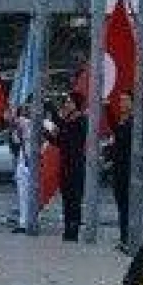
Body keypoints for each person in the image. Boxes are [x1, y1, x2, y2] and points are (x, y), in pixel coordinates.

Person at [55, 93, 88, 242]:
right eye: (66, 102)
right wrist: (47, 132)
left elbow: (71, 140)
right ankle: (67, 228)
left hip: (76, 166)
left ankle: (73, 230)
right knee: (66, 199)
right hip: (65, 165)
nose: (66, 105)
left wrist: (59, 120)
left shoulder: (80, 121)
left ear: (76, 105)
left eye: (69, 102)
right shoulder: (67, 122)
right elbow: (60, 142)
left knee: (75, 199)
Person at [110, 93, 135, 248]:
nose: (122, 103)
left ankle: (127, 238)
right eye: (121, 100)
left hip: (127, 168)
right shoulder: (122, 121)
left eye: (126, 100)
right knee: (120, 203)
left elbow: (122, 136)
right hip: (118, 167)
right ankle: (123, 237)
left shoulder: (133, 122)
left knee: (126, 204)